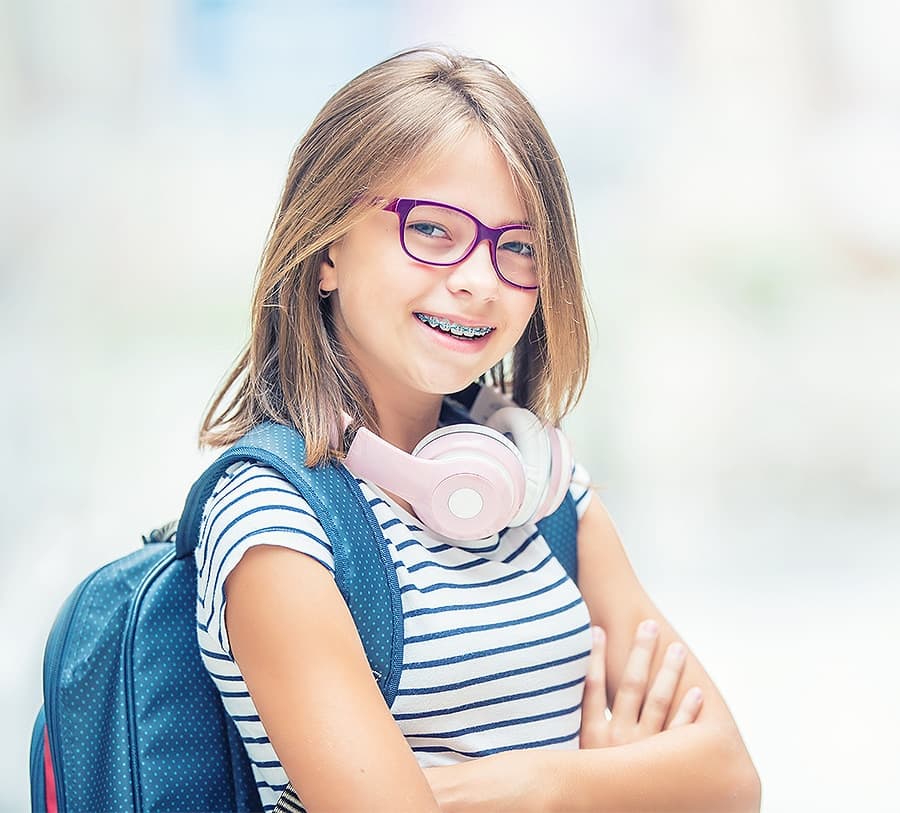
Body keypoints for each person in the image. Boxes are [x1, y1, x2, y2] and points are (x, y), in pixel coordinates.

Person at [194, 48, 760, 813]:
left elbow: (729, 779)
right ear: (327, 245)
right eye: (430, 229)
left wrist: (538, 785)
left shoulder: (545, 492)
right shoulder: (276, 526)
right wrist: (627, 786)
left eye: (518, 246)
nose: (478, 279)